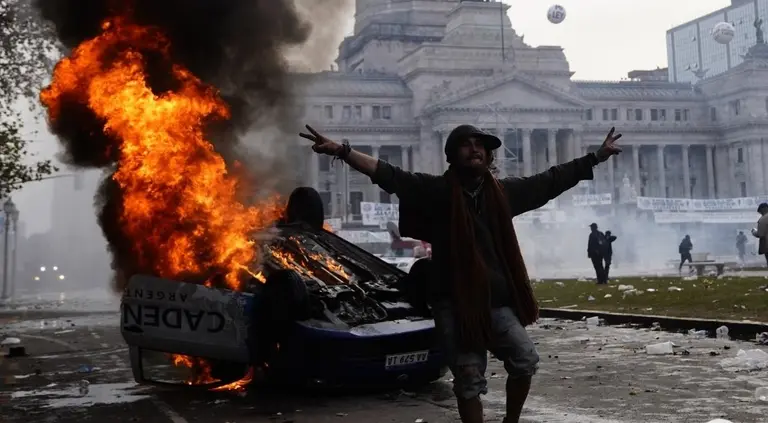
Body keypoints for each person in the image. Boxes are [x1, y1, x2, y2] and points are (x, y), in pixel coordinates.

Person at [299, 123, 622, 423]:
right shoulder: (436, 191)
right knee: (469, 380)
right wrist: (342, 151)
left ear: (489, 154)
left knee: (525, 360)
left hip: (496, 301)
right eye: (466, 145)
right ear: (452, 155)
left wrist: (596, 156)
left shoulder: (504, 193)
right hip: (454, 302)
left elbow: (552, 179)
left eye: (480, 145)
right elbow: (389, 173)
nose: (474, 150)